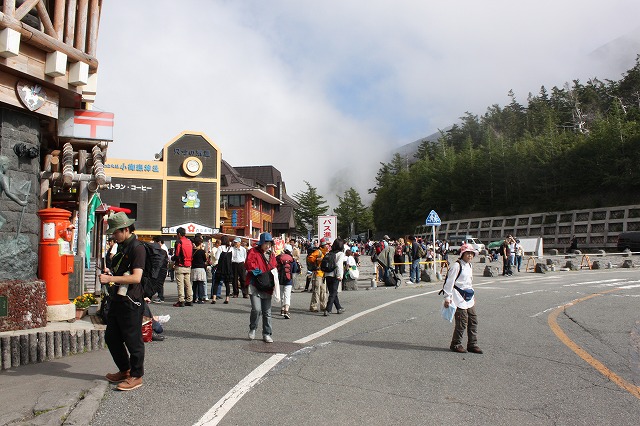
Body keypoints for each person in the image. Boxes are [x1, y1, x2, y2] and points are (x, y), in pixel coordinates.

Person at [99, 212, 147, 391]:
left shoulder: (137, 248)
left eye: (115, 232)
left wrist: (110, 279)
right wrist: (110, 275)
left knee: (133, 339)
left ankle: (136, 375)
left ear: (125, 230)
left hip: (131, 300)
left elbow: (136, 278)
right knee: (111, 337)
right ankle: (125, 369)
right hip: (118, 298)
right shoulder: (122, 246)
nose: (113, 236)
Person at [442, 243, 482, 354]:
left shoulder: (469, 265)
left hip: (468, 297)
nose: (470, 256)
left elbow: (469, 283)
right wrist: (447, 298)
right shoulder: (456, 266)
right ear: (463, 254)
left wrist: (473, 297)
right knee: (462, 321)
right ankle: (455, 344)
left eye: (472, 254)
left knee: (473, 320)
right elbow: (449, 283)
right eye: (468, 253)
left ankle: (472, 344)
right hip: (458, 297)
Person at [245, 232, 277, 343]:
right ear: (261, 243)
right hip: (255, 283)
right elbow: (248, 264)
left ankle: (267, 333)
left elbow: (274, 267)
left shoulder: (272, 254)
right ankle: (253, 328)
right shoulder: (253, 251)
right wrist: (256, 271)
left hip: (267, 285)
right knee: (256, 309)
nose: (268, 245)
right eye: (266, 243)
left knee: (267, 312)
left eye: (269, 243)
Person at [307, 237, 331, 312]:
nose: (329, 246)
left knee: (323, 291)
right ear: (324, 244)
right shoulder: (318, 252)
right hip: (317, 273)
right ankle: (313, 306)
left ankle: (323, 306)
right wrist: (317, 259)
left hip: (324, 274)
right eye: (327, 244)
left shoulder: (327, 252)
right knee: (316, 290)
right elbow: (310, 258)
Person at [323, 238, 346, 316]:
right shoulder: (340, 254)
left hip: (327, 274)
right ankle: (327, 309)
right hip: (335, 275)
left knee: (332, 292)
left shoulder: (330, 253)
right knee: (333, 292)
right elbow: (339, 265)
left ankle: (339, 308)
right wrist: (340, 275)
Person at [172, 227, 193, 307]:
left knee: (180, 284)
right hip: (188, 265)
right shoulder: (189, 241)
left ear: (179, 234)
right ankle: (189, 299)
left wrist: (172, 259)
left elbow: (177, 255)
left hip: (180, 265)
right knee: (188, 283)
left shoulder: (179, 242)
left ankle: (181, 300)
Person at [213, 235, 233, 304]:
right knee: (227, 284)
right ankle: (227, 298)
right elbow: (232, 259)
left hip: (221, 267)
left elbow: (217, 257)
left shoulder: (220, 248)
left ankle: (214, 298)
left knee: (216, 282)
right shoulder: (231, 248)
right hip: (228, 268)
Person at [276, 244, 294, 319]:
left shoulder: (278, 257)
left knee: (282, 294)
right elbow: (295, 269)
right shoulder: (291, 259)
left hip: (280, 278)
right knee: (287, 294)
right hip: (288, 279)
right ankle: (286, 310)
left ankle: (282, 309)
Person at [191, 237, 207, 303]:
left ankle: (194, 298)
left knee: (194, 284)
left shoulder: (192, 251)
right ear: (200, 243)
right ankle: (200, 298)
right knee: (200, 284)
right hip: (200, 268)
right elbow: (205, 260)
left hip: (193, 268)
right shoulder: (202, 251)